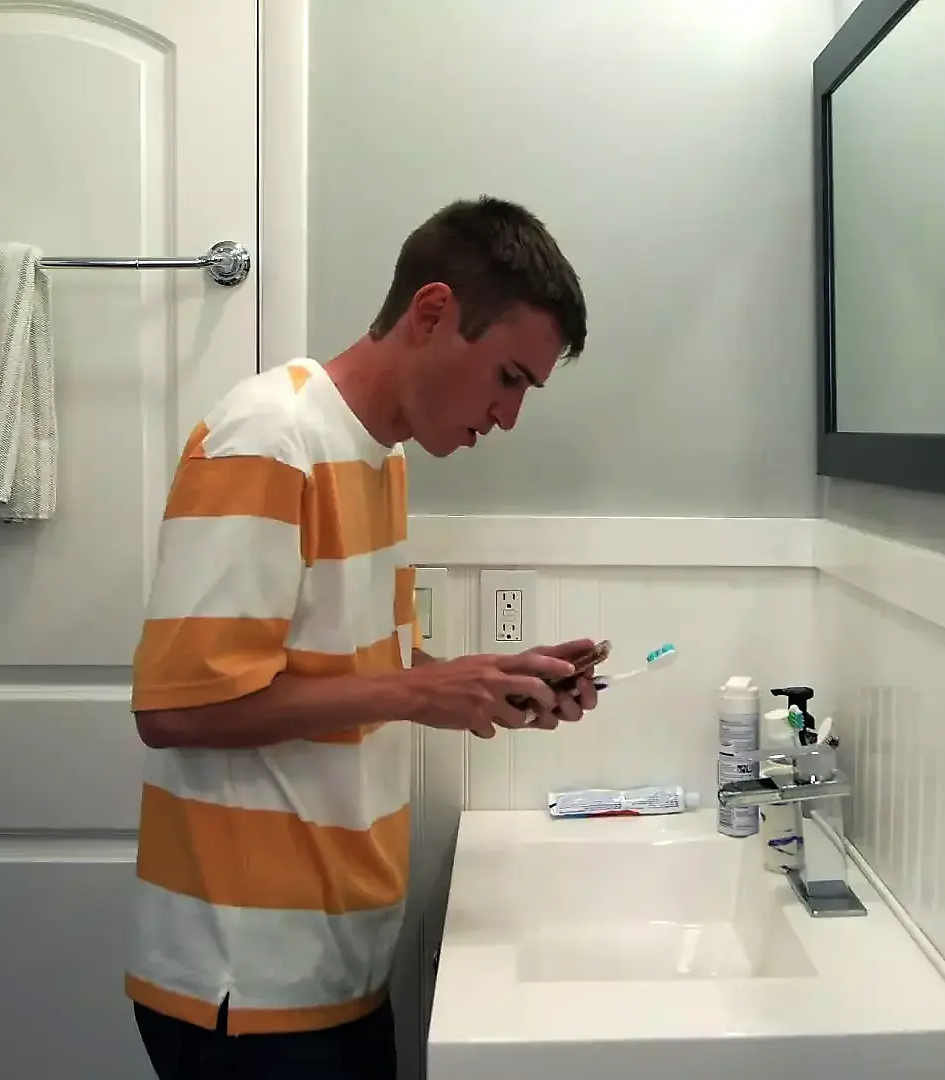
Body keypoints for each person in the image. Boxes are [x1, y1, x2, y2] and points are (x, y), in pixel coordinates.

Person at [124, 195, 599, 1080]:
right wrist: (420, 691)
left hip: (336, 965)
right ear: (433, 312)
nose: (508, 417)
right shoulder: (268, 438)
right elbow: (176, 710)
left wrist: (479, 681)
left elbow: (351, 665)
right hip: (246, 986)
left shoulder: (380, 454)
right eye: (508, 378)